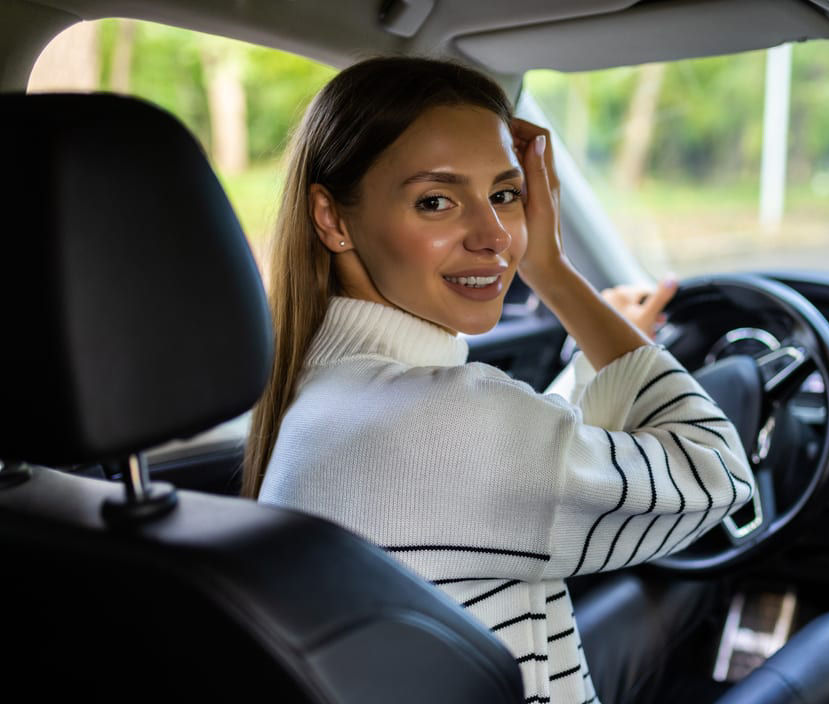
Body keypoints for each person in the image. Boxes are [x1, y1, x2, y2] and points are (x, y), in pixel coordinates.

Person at [242, 56, 756, 704]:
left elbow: (495, 458)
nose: (493, 237)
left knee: (661, 600)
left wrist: (588, 363)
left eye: (505, 195)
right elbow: (717, 474)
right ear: (332, 219)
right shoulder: (435, 419)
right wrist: (554, 272)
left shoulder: (325, 399)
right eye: (436, 201)